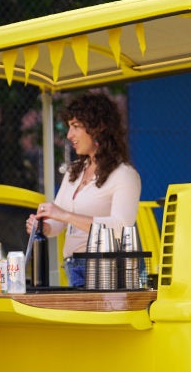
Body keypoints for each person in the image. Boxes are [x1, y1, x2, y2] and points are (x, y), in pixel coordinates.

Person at [26, 92, 141, 288]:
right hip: (74, 266)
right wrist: (44, 227)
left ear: (99, 128)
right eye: (70, 127)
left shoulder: (124, 174)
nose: (69, 135)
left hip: (106, 270)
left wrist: (66, 215)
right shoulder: (75, 171)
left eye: (76, 127)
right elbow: (58, 223)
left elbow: (120, 227)